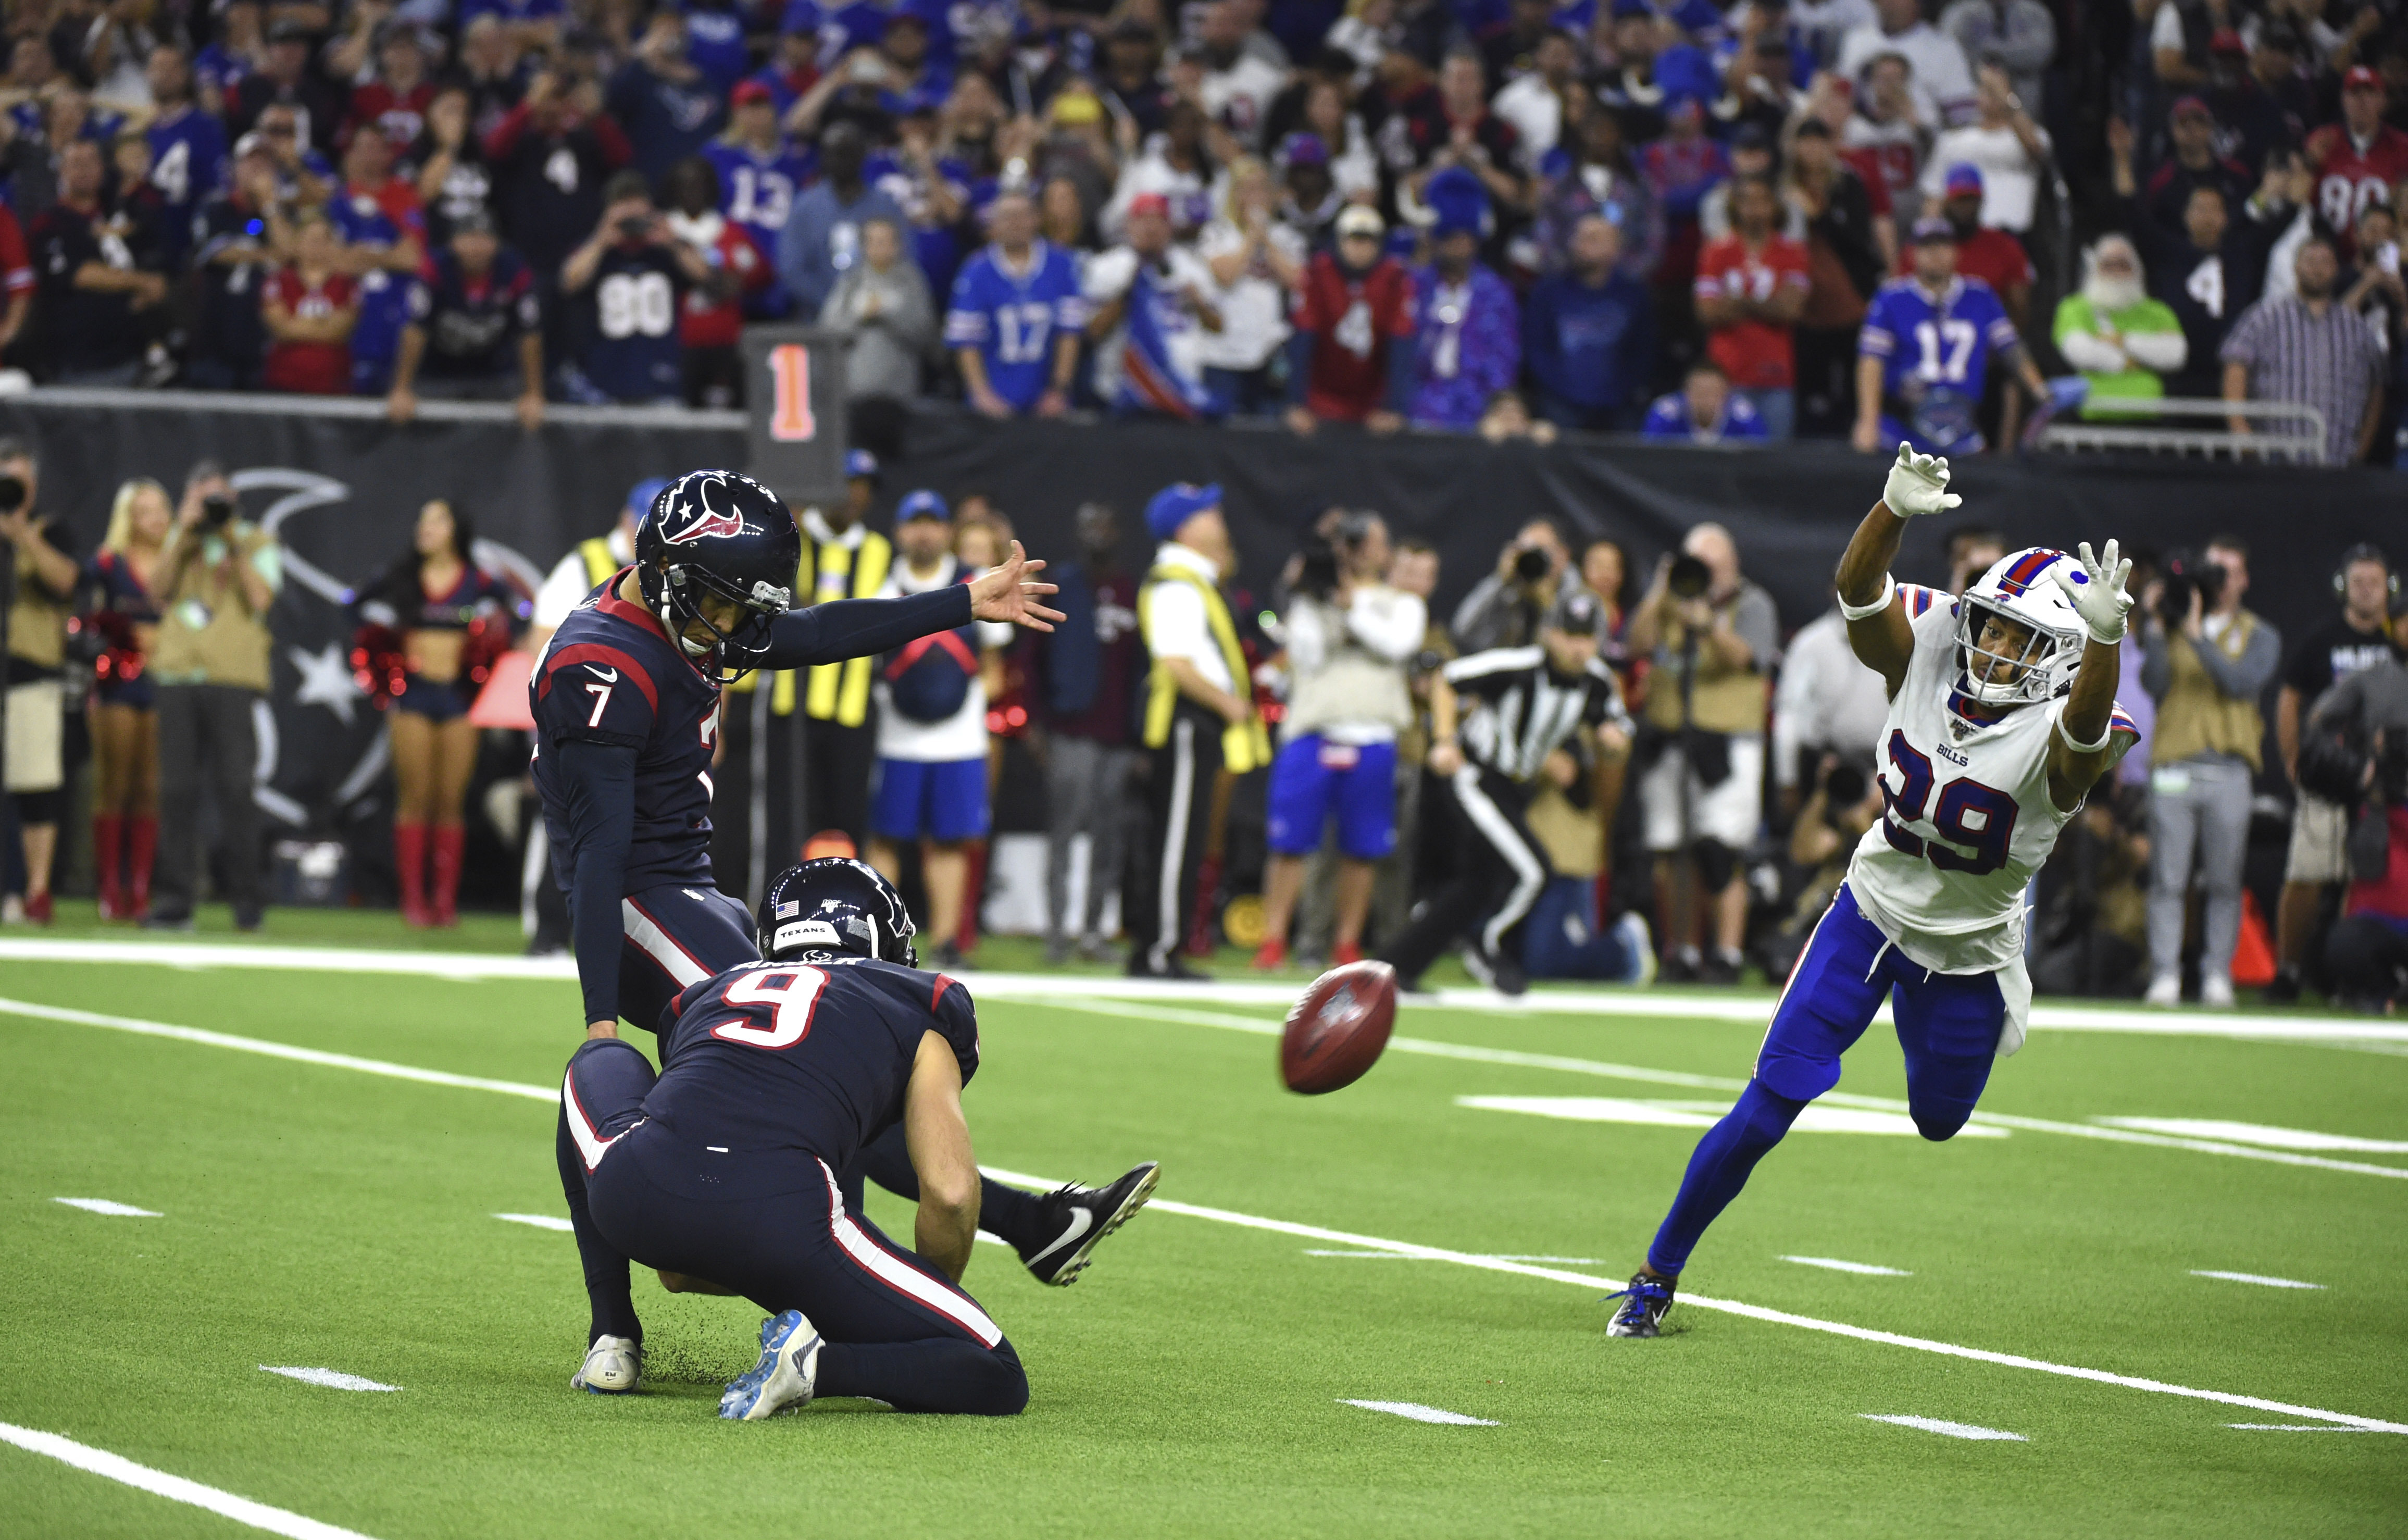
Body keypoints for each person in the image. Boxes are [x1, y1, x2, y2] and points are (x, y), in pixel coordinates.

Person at [532, 469, 1149, 1386]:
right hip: (635, 899)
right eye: (717, 601)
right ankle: (679, 1323)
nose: (734, 627)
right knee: (805, 1060)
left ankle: (1022, 1227)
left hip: (686, 890)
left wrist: (960, 603)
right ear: (664, 572)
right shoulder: (603, 663)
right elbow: (599, 859)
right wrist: (596, 1018)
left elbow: (814, 633)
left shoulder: (674, 606)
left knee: (782, 1080)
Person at [1607, 447, 2141, 1338]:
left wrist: (2106, 643)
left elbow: (2084, 730)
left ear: (2061, 660)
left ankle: (1928, 1015)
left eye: (2019, 640)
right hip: (1868, 911)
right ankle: (1656, 1274)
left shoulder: (2070, 726)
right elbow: (1858, 595)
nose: (1992, 647)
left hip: (1969, 950)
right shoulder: (1933, 648)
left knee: (1936, 1120)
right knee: (1763, 1107)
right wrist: (1887, 512)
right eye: (1991, 627)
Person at [557, 860, 1152, 1413]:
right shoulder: (916, 1001)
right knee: (995, 1370)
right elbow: (948, 1192)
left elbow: (679, 1270)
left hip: (640, 1195)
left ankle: (612, 1334)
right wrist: (911, 1321)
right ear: (881, 938)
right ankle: (816, 1367)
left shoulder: (709, 993)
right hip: (780, 1212)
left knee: (599, 1058)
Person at [1377, 588, 1633, 996]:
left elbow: (1616, 728)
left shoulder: (1597, 682)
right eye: (1568, 634)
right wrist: (1444, 740)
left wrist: (1611, 739)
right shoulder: (1518, 666)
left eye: (1586, 637)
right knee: (1534, 868)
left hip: (1517, 789)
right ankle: (1486, 944)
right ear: (1549, 634)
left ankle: (1398, 967)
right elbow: (1447, 679)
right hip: (1476, 776)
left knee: (1475, 884)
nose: (1577, 647)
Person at [1253, 510, 1424, 971]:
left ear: (1383, 551)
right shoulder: (1313, 599)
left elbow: (1396, 646)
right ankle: (1273, 939)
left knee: (1362, 849)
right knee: (1289, 844)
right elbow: (1305, 655)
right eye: (1352, 542)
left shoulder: (1401, 603)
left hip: (1372, 733)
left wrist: (1351, 608)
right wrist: (1311, 594)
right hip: (1313, 731)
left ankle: (1346, 943)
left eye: (1368, 541)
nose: (1361, 549)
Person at [1625, 524, 1781, 984]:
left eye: (1712, 565)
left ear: (1731, 565)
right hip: (1671, 738)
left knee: (1719, 850)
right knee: (1670, 850)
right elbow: (1636, 644)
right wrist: (1660, 592)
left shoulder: (1751, 604)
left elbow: (1747, 660)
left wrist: (1708, 626)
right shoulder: (1669, 603)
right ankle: (1682, 951)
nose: (1705, 574)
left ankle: (1727, 954)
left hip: (1728, 742)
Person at [867, 491, 1014, 968]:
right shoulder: (881, 590)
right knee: (886, 838)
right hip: (896, 739)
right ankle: (879, 941)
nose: (924, 533)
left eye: (934, 523)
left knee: (950, 840)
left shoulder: (975, 585)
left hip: (959, 741)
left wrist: (957, 700)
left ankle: (947, 941)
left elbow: (994, 668)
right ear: (900, 531)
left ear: (948, 531)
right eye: (915, 523)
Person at [357, 500, 520, 928]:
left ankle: (444, 903)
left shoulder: (478, 580)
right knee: (414, 797)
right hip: (411, 696)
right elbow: (353, 603)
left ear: (456, 530)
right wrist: (384, 644)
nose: (425, 528)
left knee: (450, 801)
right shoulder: (401, 576)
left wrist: (493, 648)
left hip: (458, 697)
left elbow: (521, 612)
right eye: (422, 520)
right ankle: (412, 901)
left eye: (437, 520)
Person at [1127, 482, 1267, 979]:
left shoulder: (1197, 580)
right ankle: (1159, 949)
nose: (1219, 518)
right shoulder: (1176, 582)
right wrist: (1229, 702)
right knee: (1177, 839)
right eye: (1207, 512)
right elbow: (1177, 664)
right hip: (1188, 721)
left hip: (1196, 723)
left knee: (1185, 839)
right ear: (1186, 528)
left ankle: (1165, 945)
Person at [2138, 538, 2279, 1009]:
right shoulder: (2172, 626)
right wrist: (2157, 628)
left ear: (2243, 580)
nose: (2219, 581)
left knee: (2224, 879)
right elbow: (2153, 684)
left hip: (2229, 770)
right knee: (2167, 879)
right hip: (2175, 765)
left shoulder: (2259, 633)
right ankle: (2165, 974)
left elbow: (2240, 684)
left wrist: (2197, 636)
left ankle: (2217, 972)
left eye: (2228, 572)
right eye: (2212, 571)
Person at [146, 465, 280, 932]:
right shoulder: (180, 540)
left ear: (234, 498)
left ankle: (247, 901)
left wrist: (231, 541)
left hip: (231, 677)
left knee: (236, 791)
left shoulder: (257, 540)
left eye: (217, 499)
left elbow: (262, 599)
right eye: (203, 499)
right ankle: (175, 900)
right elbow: (156, 590)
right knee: (176, 791)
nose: (211, 509)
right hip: (179, 675)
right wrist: (185, 533)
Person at [2272, 545, 2399, 1002]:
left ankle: (2354, 977)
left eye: (2375, 582)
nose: (2368, 590)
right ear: (2344, 587)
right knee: (2306, 872)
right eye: (2359, 581)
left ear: (2390, 589)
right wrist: (2294, 760)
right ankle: (2287, 970)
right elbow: (2290, 700)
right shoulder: (2322, 638)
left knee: (2367, 880)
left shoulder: (2396, 645)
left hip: (2388, 789)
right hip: (2331, 777)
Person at [1035, 502, 1143, 966]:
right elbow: (1033, 657)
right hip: (1070, 728)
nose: (1096, 535)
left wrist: (1141, 739)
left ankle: (1094, 933)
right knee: (1063, 832)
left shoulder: (1128, 591)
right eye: (1088, 527)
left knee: (1108, 838)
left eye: (1104, 525)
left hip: (1117, 735)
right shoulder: (1061, 587)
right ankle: (1057, 932)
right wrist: (1036, 725)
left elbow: (1142, 668)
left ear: (1117, 531)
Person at [1851, 217, 2048, 455]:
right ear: (1912, 254)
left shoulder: (1980, 295)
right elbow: (1872, 361)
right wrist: (1868, 421)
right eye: (1927, 246)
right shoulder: (1891, 298)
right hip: (1903, 426)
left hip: (1963, 428)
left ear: (1957, 252)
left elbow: (2011, 348)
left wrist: (2041, 391)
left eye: (1943, 245)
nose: (1936, 253)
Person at [787, 451, 895, 851]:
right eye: (848, 484)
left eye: (864, 488)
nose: (854, 496)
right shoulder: (793, 537)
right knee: (791, 816)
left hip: (851, 708)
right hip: (790, 707)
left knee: (847, 817)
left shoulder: (879, 551)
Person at [2219, 235, 2389, 465]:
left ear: (2337, 269)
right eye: (2310, 261)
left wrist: (2362, 449)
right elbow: (2235, 366)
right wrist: (2240, 429)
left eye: (2325, 262)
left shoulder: (2356, 328)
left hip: (2338, 466)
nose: (2317, 269)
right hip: (2273, 463)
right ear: (2296, 267)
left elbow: (2376, 386)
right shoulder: (2264, 317)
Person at [85, 477, 171, 922]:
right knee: (113, 785)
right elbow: (81, 609)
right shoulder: (109, 562)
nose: (156, 518)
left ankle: (140, 890)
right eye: (145, 511)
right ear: (129, 519)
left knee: (149, 789)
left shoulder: (180, 564)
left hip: (162, 683)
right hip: (118, 683)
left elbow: (199, 615)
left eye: (161, 509)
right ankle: (108, 890)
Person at [2304, 649, 2408, 1011]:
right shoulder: (2373, 801)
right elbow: (2365, 859)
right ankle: (2382, 993)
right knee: (2345, 945)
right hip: (2383, 918)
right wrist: (2373, 783)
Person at [561, 169, 715, 405]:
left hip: (661, 374)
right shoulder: (595, 250)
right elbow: (569, 283)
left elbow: (704, 275)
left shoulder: (665, 250)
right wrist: (602, 241)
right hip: (605, 379)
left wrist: (671, 243)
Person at [385, 208, 546, 430]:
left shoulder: (514, 270)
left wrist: (533, 393)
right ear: (453, 242)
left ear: (497, 243)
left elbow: (529, 333)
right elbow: (415, 329)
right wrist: (402, 388)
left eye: (484, 239)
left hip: (495, 373)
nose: (477, 247)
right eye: (469, 238)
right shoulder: (435, 269)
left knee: (519, 422)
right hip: (437, 373)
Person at [1, 441, 74, 924]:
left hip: (30, 669)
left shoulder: (51, 530)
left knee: (34, 785)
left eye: (18, 481)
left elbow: (66, 582)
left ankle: (35, 888)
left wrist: (22, 533)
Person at [946, 191, 1087, 419]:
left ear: (1037, 219)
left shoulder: (1062, 265)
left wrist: (1059, 390)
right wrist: (982, 394)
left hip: (1047, 403)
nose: (1015, 223)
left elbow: (1069, 334)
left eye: (1022, 215)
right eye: (1008, 216)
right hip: (991, 404)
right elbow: (966, 342)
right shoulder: (975, 271)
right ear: (994, 223)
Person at [1083, 191, 1221, 419]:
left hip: (1180, 390)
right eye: (1144, 220)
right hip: (1122, 391)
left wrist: (1199, 304)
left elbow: (1218, 326)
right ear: (1129, 225)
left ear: (1170, 227)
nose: (1151, 228)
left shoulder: (1190, 267)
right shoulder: (1107, 267)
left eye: (1159, 220)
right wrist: (1127, 293)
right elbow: (1092, 332)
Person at [1694, 174, 1811, 439]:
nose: (1755, 210)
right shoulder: (1716, 252)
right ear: (1735, 206)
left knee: (1774, 466)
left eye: (1762, 202)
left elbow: (1791, 311)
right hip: (1726, 377)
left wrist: (1738, 302)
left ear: (1774, 206)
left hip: (1776, 377)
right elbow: (1707, 312)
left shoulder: (1793, 253)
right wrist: (1768, 305)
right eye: (1747, 202)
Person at [1283, 203, 1414, 435]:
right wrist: (1297, 404)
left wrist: (1394, 407)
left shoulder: (1394, 278)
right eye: (1353, 240)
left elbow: (1400, 344)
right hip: (1322, 397)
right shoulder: (1318, 273)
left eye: (1368, 240)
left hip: (1371, 402)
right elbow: (1304, 337)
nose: (1360, 248)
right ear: (1339, 241)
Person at [1406, 167, 1519, 431]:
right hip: (1415, 400)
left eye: (1465, 240)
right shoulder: (1413, 285)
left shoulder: (1495, 293)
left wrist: (1496, 406)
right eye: (1450, 239)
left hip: (1476, 406)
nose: (1459, 247)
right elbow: (1400, 351)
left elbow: (1503, 359)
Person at [1523, 213, 1657, 432]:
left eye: (1592, 239)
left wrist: (1619, 392)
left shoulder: (1634, 296)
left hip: (1618, 403)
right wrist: (1563, 390)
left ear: (1614, 249)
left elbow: (1643, 354)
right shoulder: (1548, 292)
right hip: (1561, 400)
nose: (1580, 245)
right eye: (1578, 237)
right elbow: (1537, 350)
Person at [820, 218, 934, 462]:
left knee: (895, 465)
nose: (880, 248)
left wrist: (889, 314)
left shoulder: (912, 283)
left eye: (886, 241)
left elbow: (925, 335)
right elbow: (827, 334)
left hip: (897, 397)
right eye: (873, 242)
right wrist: (858, 316)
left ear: (898, 246)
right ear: (864, 247)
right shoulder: (850, 284)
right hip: (855, 395)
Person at [777, 122, 906, 321]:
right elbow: (792, 269)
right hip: (817, 320)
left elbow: (905, 261)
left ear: (862, 155)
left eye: (848, 153)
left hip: (879, 322)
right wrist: (836, 306)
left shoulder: (886, 206)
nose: (841, 160)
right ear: (823, 158)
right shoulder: (806, 206)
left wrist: (871, 307)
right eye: (834, 153)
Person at [2050, 234, 2189, 413]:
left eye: (2123, 265)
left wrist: (2123, 340)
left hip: (2150, 417)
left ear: (2137, 269)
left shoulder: (2159, 311)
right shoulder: (2073, 308)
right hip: (2089, 417)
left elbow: (2174, 355)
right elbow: (2081, 352)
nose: (2116, 271)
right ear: (2095, 269)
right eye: (2108, 265)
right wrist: (2134, 361)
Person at [2304, 66, 2408, 261]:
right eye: (2355, 93)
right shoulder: (2323, 141)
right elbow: (2301, 200)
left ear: (2383, 100)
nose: (2362, 101)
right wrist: (2309, 163)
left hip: (2382, 255)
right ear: (2344, 100)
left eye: (2370, 93)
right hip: (2326, 254)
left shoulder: (2402, 148)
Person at [260, 210, 360, 396]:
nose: (317, 245)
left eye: (324, 239)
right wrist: (322, 323)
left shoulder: (346, 285)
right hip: (284, 383)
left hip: (333, 385)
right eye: (310, 238)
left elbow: (338, 332)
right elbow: (282, 330)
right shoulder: (278, 282)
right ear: (297, 244)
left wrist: (297, 324)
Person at [1452, 517, 1579, 654]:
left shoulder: (1578, 595)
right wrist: (1499, 580)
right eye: (1527, 550)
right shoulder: (1511, 587)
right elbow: (1462, 629)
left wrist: (1548, 606)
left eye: (1541, 551)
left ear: (1563, 555)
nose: (1533, 559)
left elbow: (1565, 654)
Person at [1642, 360, 1773, 442]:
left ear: (1726, 395)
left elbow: (1760, 457)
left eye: (1712, 392)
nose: (1705, 399)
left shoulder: (1743, 415)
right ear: (1686, 392)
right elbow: (1648, 455)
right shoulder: (1666, 413)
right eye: (1699, 392)